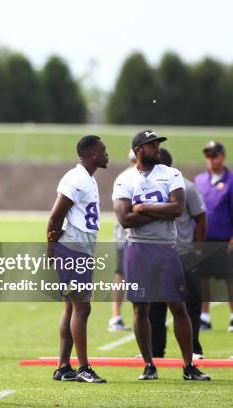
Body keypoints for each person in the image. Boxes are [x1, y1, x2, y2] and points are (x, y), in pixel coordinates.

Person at [113, 129, 209, 381]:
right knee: (139, 308)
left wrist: (142, 207)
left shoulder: (171, 174)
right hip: (136, 248)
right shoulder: (125, 179)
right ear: (138, 150)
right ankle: (148, 364)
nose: (157, 148)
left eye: (157, 144)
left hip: (167, 247)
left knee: (178, 305)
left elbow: (177, 208)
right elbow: (124, 218)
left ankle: (189, 365)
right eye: (151, 145)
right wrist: (159, 209)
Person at [47, 135, 109, 383]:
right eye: (103, 150)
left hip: (79, 249)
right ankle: (83, 367)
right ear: (93, 152)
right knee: (82, 307)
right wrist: (50, 250)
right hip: (72, 249)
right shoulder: (76, 177)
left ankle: (63, 366)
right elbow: (55, 217)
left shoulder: (88, 178)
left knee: (73, 307)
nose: (107, 154)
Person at [148, 148, 206, 359]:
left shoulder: (187, 187)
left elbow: (200, 218)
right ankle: (155, 351)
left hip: (184, 253)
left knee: (189, 304)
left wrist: (198, 250)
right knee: (155, 305)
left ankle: (195, 350)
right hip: (157, 253)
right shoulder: (146, 187)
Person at [194, 141, 233, 333]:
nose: (211, 159)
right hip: (203, 239)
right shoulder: (200, 180)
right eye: (208, 155)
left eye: (214, 155)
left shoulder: (231, 180)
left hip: (224, 240)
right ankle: (205, 317)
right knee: (202, 278)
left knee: (230, 278)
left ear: (222, 157)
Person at [109, 149, 135, 332]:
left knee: (122, 276)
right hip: (127, 235)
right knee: (123, 276)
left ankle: (116, 316)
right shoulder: (128, 178)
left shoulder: (124, 177)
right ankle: (116, 316)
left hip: (125, 236)